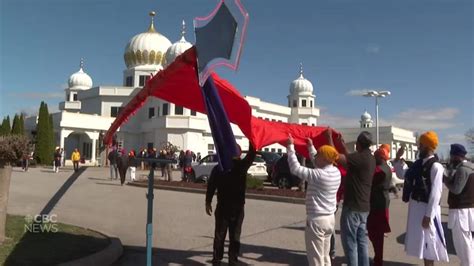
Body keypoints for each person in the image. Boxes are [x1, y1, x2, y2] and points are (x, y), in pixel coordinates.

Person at [393, 131, 448, 265]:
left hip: (427, 209)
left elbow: (436, 193)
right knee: (422, 242)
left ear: (428, 147)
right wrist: (397, 158)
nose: (418, 148)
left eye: (421, 145)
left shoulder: (436, 166)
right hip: (416, 207)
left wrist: (428, 215)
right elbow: (402, 175)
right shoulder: (418, 164)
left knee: (430, 241)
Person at [287, 134, 341, 265]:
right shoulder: (335, 172)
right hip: (329, 219)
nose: (315, 157)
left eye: (319, 156)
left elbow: (295, 168)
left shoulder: (319, 175)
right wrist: (311, 146)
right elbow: (318, 161)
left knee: (315, 259)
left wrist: (290, 147)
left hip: (317, 220)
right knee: (324, 256)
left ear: (323, 159)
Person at [327, 130, 376, 266]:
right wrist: (343, 146)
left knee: (350, 245)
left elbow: (334, 156)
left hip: (353, 208)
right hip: (364, 208)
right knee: (362, 243)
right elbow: (350, 160)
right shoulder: (370, 158)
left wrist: (329, 138)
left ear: (359, 144)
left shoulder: (359, 158)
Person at [205, 142, 256, 265]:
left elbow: (211, 186)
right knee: (234, 236)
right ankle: (232, 260)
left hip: (223, 207)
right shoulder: (241, 166)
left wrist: (208, 201)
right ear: (238, 154)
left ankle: (217, 260)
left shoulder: (219, 168)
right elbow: (251, 155)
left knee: (219, 235)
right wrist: (251, 139)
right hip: (237, 209)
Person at [443, 144, 473, 266]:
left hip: (461, 211)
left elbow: (456, 189)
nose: (450, 158)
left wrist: (445, 181)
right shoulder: (471, 167)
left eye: (451, 156)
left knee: (463, 245)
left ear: (456, 156)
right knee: (469, 243)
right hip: (469, 209)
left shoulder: (462, 169)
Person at [367, 145, 393, 266]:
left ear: (380, 157)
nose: (374, 158)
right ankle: (378, 258)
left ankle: (378, 260)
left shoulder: (379, 170)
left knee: (375, 233)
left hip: (377, 204)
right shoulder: (386, 168)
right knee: (377, 234)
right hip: (382, 203)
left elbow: (369, 180)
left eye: (375, 156)